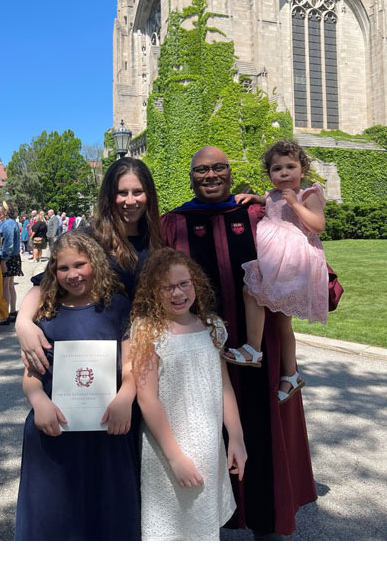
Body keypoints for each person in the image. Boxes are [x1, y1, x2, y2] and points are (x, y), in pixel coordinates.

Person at [160, 145, 316, 538]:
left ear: (230, 173)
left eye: (218, 168)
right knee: (200, 426)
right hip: (198, 349)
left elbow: (298, 251)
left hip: (259, 349)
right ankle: (207, 515)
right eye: (201, 170)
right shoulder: (174, 223)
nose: (210, 175)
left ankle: (264, 517)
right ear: (191, 176)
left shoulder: (256, 213)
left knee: (261, 428)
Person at [13, 231, 139, 540]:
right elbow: (31, 376)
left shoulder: (118, 308)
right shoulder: (46, 314)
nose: (72, 274)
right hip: (55, 424)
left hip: (108, 424)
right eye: (63, 268)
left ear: (95, 263)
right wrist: (39, 402)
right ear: (53, 272)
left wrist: (126, 397)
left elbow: (133, 366)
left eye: (79, 265)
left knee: (107, 509)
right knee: (53, 512)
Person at [131, 248, 246, 541]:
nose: (177, 293)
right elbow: (147, 399)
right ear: (152, 291)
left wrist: (236, 437)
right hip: (168, 448)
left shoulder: (212, 328)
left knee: (202, 526)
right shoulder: (148, 331)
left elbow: (224, 386)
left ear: (196, 283)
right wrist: (175, 458)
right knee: (170, 528)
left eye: (184, 284)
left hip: (208, 443)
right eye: (166, 287)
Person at [16, 157, 166, 375]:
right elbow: (45, 282)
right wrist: (23, 324)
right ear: (108, 196)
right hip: (100, 356)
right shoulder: (88, 238)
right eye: (122, 192)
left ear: (149, 195)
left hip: (146, 354)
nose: (130, 200)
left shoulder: (158, 242)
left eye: (138, 192)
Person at [224, 140, 327, 404]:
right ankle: (287, 372)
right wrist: (255, 198)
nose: (283, 173)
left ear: (302, 170)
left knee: (263, 303)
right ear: (269, 174)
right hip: (273, 261)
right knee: (267, 307)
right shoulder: (272, 195)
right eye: (276, 168)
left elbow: (317, 225)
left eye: (290, 167)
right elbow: (270, 203)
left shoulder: (308, 195)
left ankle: (255, 351)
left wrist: (295, 204)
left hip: (293, 263)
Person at [0, 202, 23, 325]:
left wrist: (4, 260)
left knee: (5, 286)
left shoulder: (7, 224)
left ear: (5, 211)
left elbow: (8, 244)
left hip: (8, 257)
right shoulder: (13, 223)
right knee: (10, 285)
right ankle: (12, 312)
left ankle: (4, 315)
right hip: (14, 256)